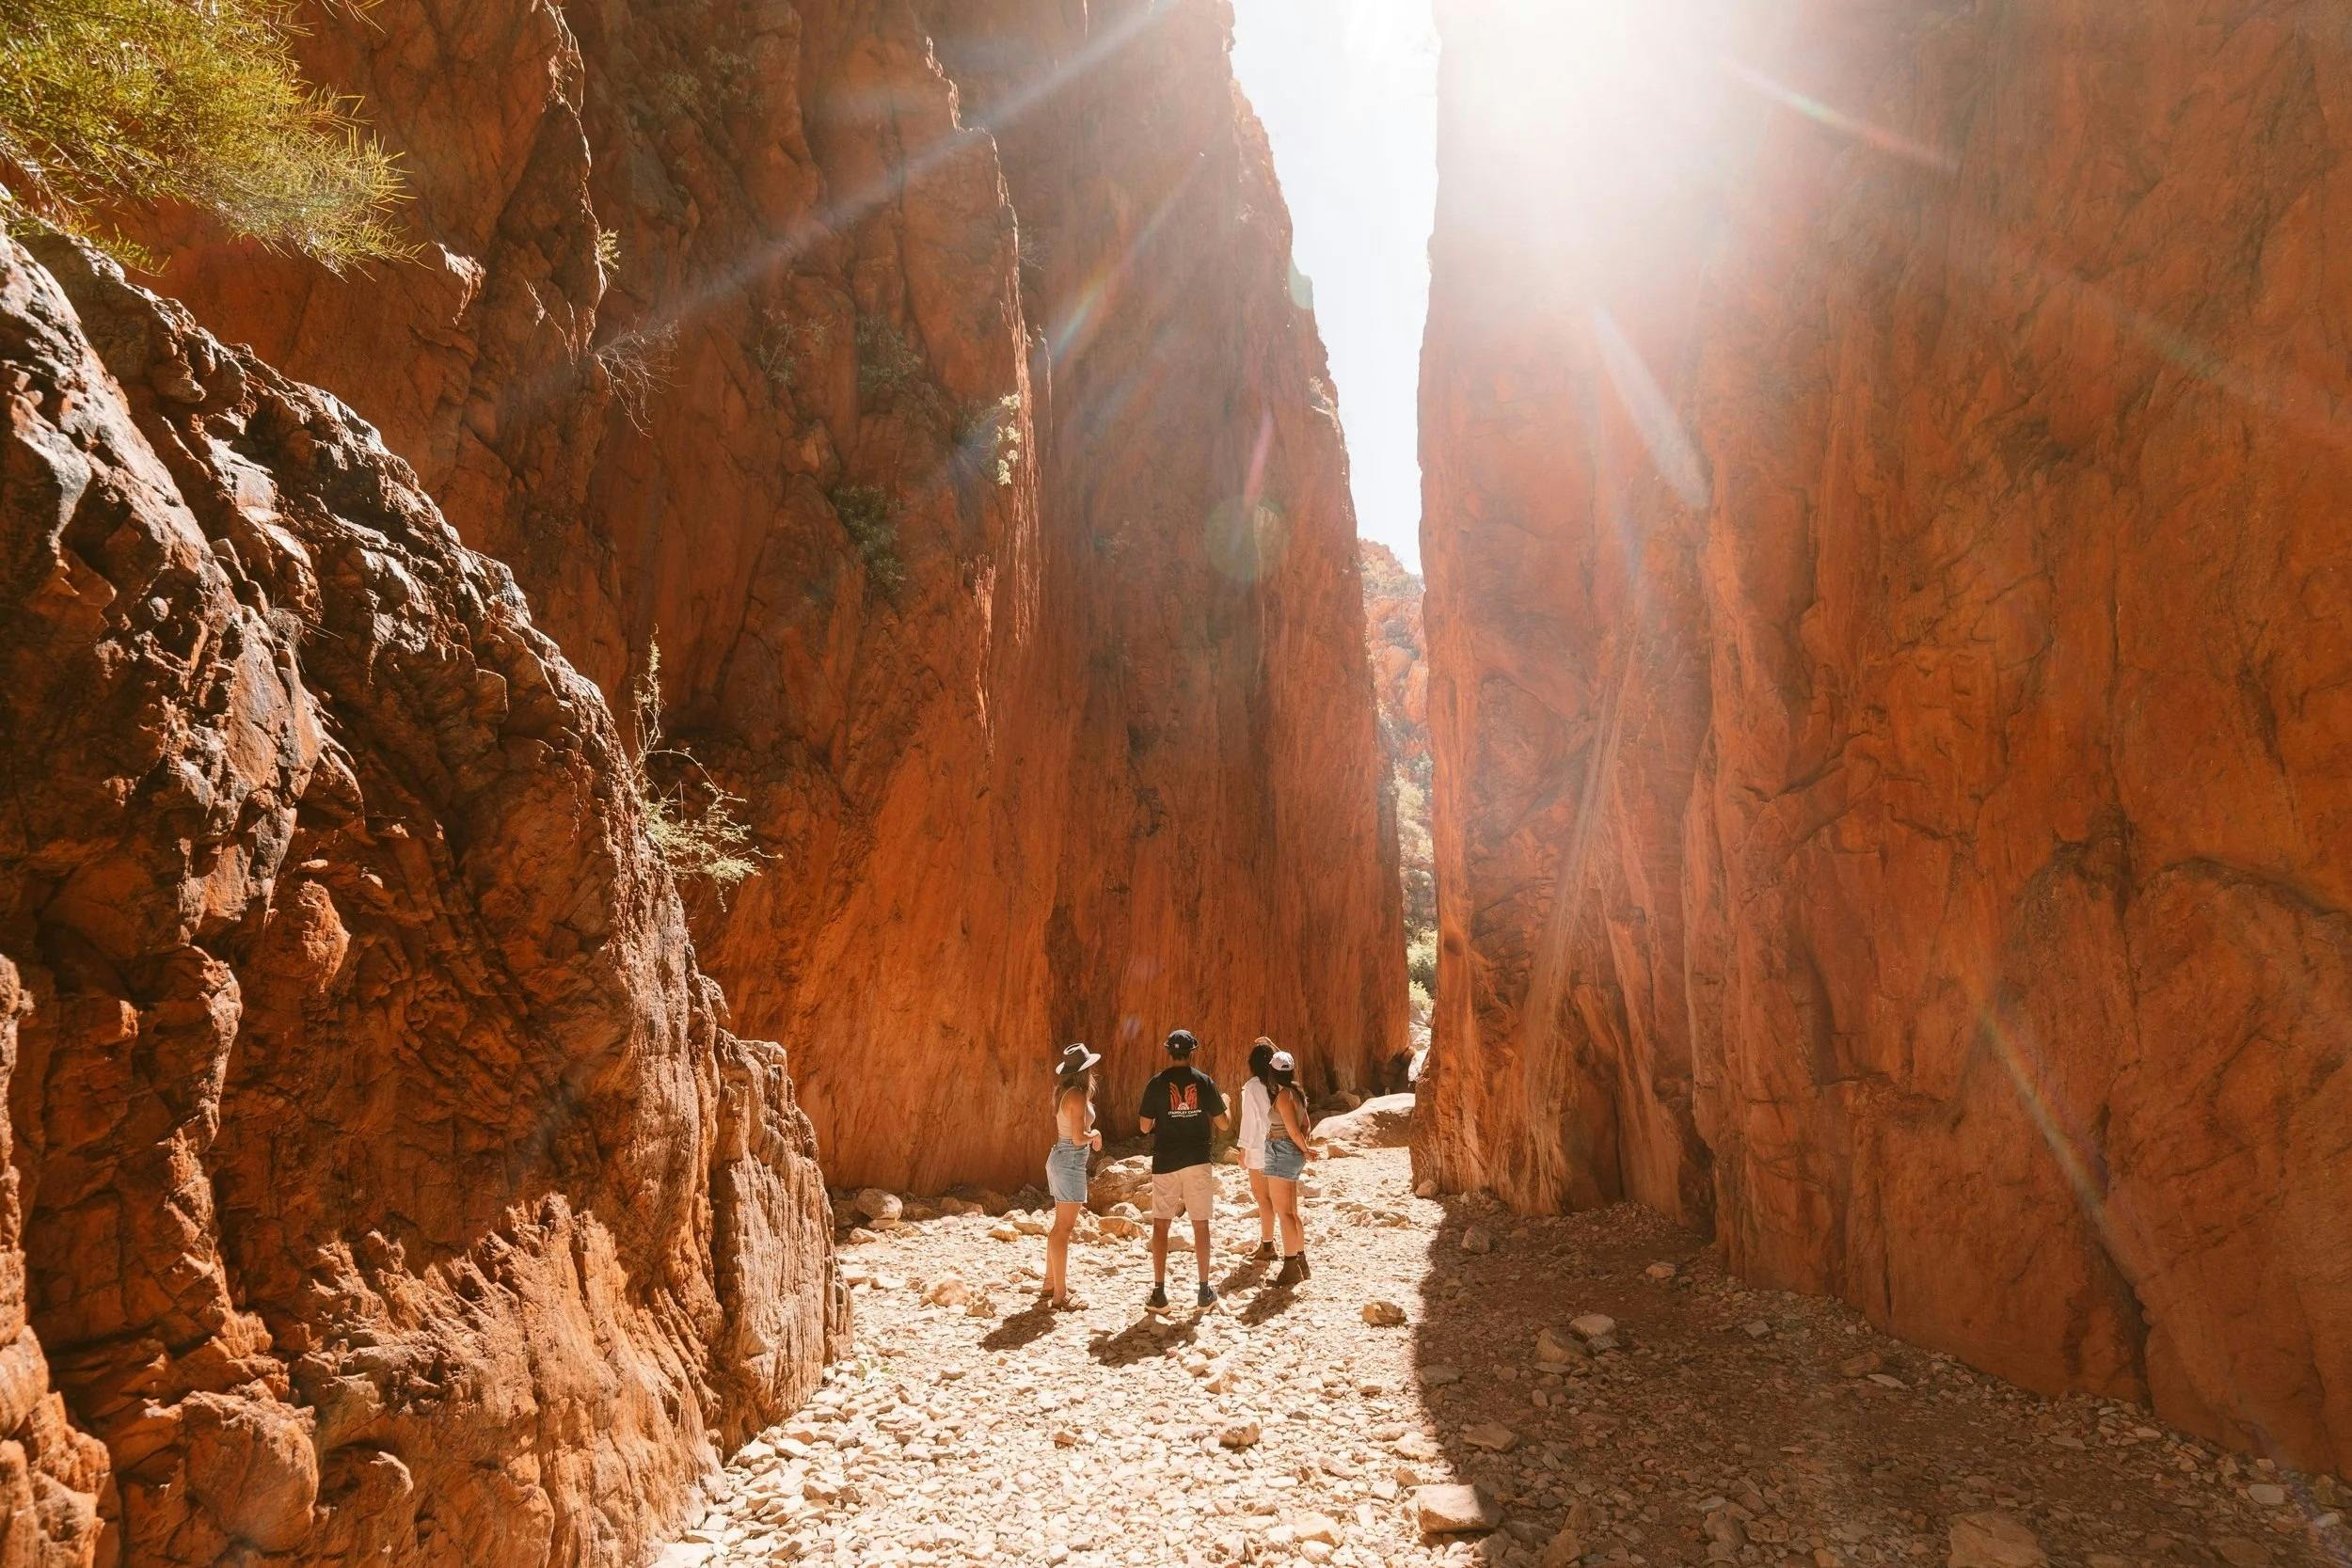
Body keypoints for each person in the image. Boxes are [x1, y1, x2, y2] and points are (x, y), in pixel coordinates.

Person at [1136, 1028, 1227, 1310]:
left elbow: (1143, 1126)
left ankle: (1160, 1293)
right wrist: (1230, 1106)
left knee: (1161, 1224)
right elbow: (1223, 1124)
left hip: (1166, 1161)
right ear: (1191, 1052)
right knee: (1200, 1225)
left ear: (1169, 1051)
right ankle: (1203, 1291)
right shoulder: (1204, 1082)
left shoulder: (1156, 1083)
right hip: (1198, 1159)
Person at [1042, 1043, 1103, 1309]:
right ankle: (1060, 1295)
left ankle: (1050, 1282)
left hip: (1061, 1158)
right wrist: (1096, 1135)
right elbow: (1079, 1138)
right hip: (1070, 1162)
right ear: (1085, 1070)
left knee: (1058, 1227)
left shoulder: (1065, 1092)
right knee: (1063, 1230)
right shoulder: (1077, 1096)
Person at [1263, 1049, 1317, 1288]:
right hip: (1291, 1152)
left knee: (1283, 1212)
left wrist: (1303, 1149)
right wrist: (1302, 1149)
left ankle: (1289, 1267)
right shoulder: (1298, 1093)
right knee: (1292, 1211)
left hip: (1281, 1152)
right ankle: (1301, 1262)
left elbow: (1293, 1130)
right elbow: (1306, 1124)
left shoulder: (1285, 1096)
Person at [1238, 1039, 1279, 1259]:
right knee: (1282, 1201)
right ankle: (1294, 1250)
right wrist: (1274, 1046)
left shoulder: (1252, 1086)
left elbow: (1249, 1120)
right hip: (1282, 1147)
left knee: (1263, 1199)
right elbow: (1287, 1063)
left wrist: (1242, 1149)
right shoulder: (1282, 1083)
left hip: (1259, 1148)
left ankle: (1267, 1246)